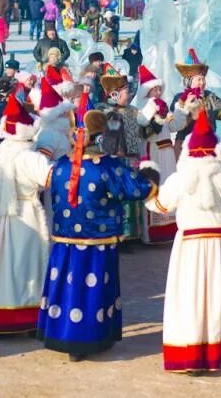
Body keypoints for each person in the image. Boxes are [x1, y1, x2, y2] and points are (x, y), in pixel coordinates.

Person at [35, 110, 156, 362]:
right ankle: (91, 338)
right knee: (93, 289)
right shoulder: (108, 166)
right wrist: (151, 176)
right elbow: (138, 189)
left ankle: (65, 337)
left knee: (67, 287)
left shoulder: (60, 165)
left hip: (64, 241)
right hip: (97, 244)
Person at [144, 110, 221, 373]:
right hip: (219, 245)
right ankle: (213, 352)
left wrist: (148, 181)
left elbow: (158, 204)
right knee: (217, 297)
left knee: (189, 297)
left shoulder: (180, 178)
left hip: (190, 246)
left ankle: (190, 352)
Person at [0, 93, 56, 340]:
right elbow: (50, 180)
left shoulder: (1, 152)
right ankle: (27, 318)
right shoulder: (31, 156)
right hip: (24, 214)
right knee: (24, 265)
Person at [96, 65, 143, 240]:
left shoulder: (131, 110)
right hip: (115, 159)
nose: (129, 95)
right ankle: (118, 232)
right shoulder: (105, 111)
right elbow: (110, 137)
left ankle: (132, 234)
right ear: (114, 94)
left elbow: (138, 132)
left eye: (128, 91)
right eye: (124, 92)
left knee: (132, 192)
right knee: (117, 194)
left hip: (131, 159)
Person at [135, 65, 178, 244]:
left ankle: (170, 227)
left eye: (160, 89)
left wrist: (180, 113)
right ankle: (153, 232)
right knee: (156, 185)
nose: (158, 92)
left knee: (169, 184)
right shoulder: (144, 106)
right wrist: (154, 107)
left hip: (167, 151)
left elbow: (174, 127)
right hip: (153, 151)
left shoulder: (164, 106)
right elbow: (142, 121)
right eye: (155, 89)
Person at [169, 49, 221, 158]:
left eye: (203, 79)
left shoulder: (210, 96)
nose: (202, 83)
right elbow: (175, 121)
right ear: (189, 81)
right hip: (185, 145)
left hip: (208, 144)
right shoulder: (180, 98)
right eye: (199, 79)